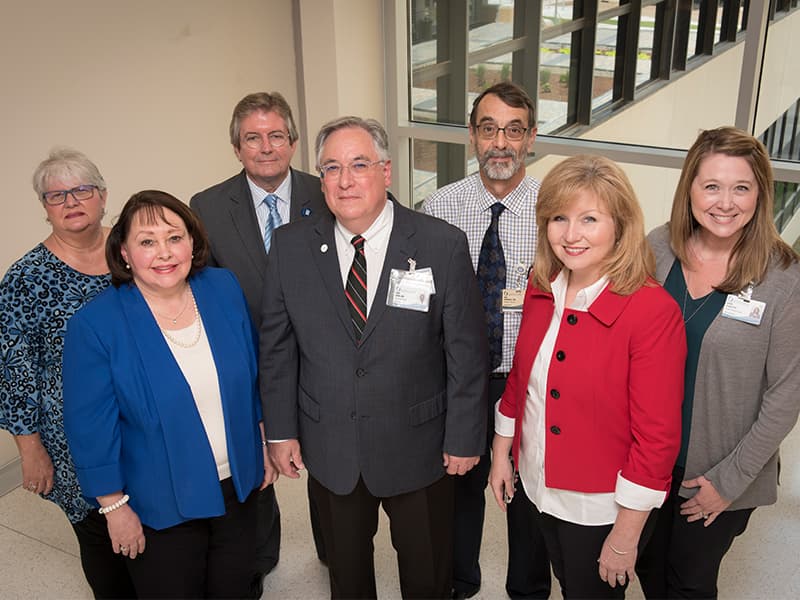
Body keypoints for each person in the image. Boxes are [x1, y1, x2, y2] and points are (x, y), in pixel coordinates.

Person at [260, 116, 489, 598]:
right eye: (331, 168)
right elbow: (278, 351)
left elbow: (465, 355)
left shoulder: (440, 244)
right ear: (319, 178)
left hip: (421, 444)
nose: (345, 180)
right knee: (346, 574)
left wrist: (466, 437)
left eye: (359, 164)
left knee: (427, 574)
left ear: (386, 171)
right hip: (331, 445)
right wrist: (280, 431)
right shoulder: (290, 247)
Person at [489, 155, 686, 599]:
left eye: (589, 219)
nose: (571, 235)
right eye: (559, 218)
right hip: (537, 484)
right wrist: (503, 452)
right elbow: (522, 378)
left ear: (621, 224)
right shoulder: (545, 282)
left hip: (598, 508)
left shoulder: (652, 311)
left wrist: (624, 537)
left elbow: (656, 439)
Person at [62, 191, 271, 599]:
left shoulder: (222, 288)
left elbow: (251, 372)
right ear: (124, 253)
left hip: (238, 487)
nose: (164, 253)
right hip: (159, 503)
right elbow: (89, 429)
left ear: (193, 243)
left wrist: (260, 439)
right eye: (147, 241)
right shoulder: (96, 325)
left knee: (234, 589)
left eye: (174, 237)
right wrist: (114, 507)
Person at [636, 127, 800, 598]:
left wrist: (727, 483)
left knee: (688, 583)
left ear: (760, 195)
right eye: (711, 186)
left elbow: (785, 398)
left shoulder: (783, 280)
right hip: (650, 462)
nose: (725, 202)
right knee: (648, 570)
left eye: (741, 187)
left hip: (716, 473)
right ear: (689, 189)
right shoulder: (659, 247)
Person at [190, 92, 329, 589]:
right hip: (249, 364)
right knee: (257, 464)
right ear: (236, 147)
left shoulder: (329, 190)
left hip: (325, 358)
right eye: (253, 138)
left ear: (293, 143)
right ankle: (261, 554)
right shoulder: (206, 206)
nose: (265, 147)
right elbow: (204, 288)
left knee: (329, 459)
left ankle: (334, 547)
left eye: (276, 136)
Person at [423, 81, 551, 600]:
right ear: (472, 137)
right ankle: (459, 585)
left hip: (532, 381)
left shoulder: (554, 210)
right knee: (457, 494)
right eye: (489, 129)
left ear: (531, 138)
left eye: (514, 130)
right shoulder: (437, 208)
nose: (501, 142)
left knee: (531, 501)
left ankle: (528, 591)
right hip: (460, 382)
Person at [0, 148, 136, 599]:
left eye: (82, 190)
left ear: (103, 196)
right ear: (44, 208)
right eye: (56, 195)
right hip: (72, 432)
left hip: (142, 414)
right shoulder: (25, 278)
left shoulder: (132, 251)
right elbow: (13, 370)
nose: (71, 201)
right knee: (100, 533)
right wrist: (30, 447)